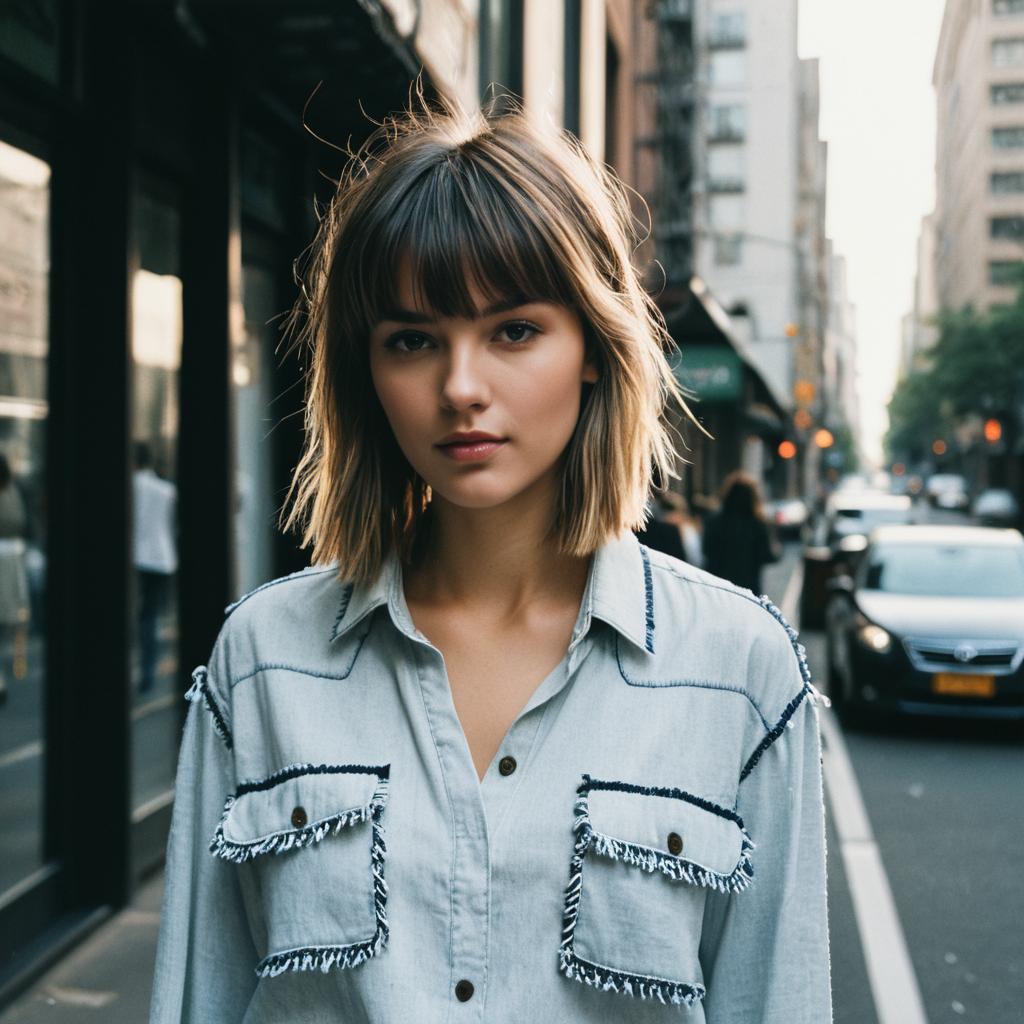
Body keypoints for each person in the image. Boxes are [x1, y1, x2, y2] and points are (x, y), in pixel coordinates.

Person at [150, 87, 832, 1023]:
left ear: (593, 346)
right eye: (413, 340)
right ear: (370, 370)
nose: (460, 387)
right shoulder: (265, 658)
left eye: (513, 330)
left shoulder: (739, 672)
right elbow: (203, 998)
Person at [703, 471, 781, 594]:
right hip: (748, 589)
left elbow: (706, 550)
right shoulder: (758, 524)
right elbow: (769, 556)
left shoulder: (714, 521)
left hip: (718, 586)